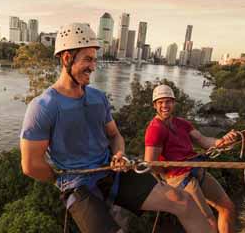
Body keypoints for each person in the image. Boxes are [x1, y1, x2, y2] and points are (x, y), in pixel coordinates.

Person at [20, 23, 215, 233]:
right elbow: (30, 165)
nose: (93, 66)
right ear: (67, 58)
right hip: (77, 185)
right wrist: (61, 179)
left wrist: (119, 153)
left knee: (183, 201)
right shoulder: (43, 107)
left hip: (112, 173)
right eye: (87, 59)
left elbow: (114, 135)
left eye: (94, 59)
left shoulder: (97, 98)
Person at [145, 84, 237, 233]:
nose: (165, 105)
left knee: (227, 207)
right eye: (160, 102)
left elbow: (204, 141)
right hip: (179, 177)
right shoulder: (155, 129)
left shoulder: (182, 123)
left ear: (173, 103)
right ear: (155, 105)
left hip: (195, 169)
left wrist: (224, 141)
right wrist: (169, 175)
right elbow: (151, 162)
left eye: (168, 101)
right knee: (208, 224)